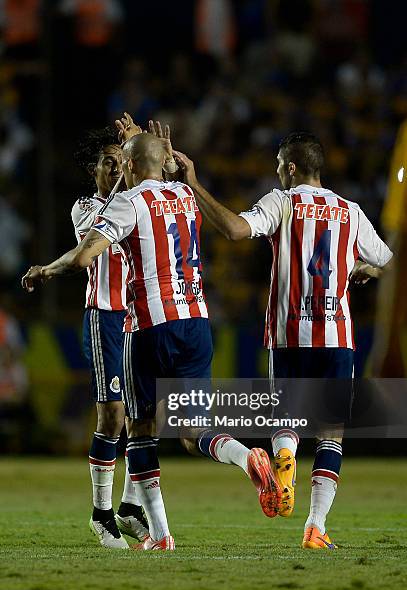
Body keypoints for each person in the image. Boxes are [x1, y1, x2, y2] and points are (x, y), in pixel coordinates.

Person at [22, 130, 282, 551]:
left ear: (127, 165)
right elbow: (154, 170)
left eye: (120, 160)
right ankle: (243, 455)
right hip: (196, 321)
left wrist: (46, 270)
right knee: (190, 429)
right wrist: (158, 159)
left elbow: (86, 255)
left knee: (139, 430)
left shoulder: (128, 201)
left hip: (143, 325)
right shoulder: (182, 194)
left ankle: (158, 535)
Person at [173, 132, 393, 549]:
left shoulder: (282, 201)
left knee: (284, 421)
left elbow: (237, 230)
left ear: (290, 167)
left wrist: (194, 185)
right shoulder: (351, 212)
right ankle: (315, 528)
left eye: (278, 163)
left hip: (289, 333)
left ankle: (285, 461)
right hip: (336, 335)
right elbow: (390, 264)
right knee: (330, 433)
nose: (275, 170)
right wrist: (369, 270)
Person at [71, 126, 148, 549]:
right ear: (94, 169)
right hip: (103, 318)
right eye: (108, 161)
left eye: (122, 159)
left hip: (138, 318)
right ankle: (101, 515)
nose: (117, 166)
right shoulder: (85, 207)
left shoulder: (135, 204)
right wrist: (131, 168)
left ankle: (130, 508)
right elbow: (91, 243)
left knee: (143, 416)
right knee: (113, 416)